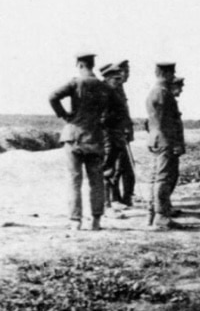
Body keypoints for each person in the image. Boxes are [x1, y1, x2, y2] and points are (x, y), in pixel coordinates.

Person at [49, 53, 118, 231]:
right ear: (93, 65)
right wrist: (103, 121)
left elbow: (52, 97)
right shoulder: (105, 87)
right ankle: (96, 221)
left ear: (80, 64)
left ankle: (75, 221)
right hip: (95, 138)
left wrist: (65, 116)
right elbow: (118, 110)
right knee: (96, 181)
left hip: (74, 137)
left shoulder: (75, 83)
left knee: (74, 180)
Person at [146, 62, 186, 229]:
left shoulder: (157, 91)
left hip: (158, 139)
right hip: (165, 140)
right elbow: (165, 122)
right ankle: (161, 217)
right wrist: (176, 143)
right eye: (171, 73)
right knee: (163, 178)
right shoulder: (162, 93)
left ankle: (154, 213)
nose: (172, 76)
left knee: (158, 177)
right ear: (166, 73)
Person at [99, 62, 136, 212]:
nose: (119, 81)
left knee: (116, 168)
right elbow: (103, 117)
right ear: (107, 78)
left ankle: (114, 200)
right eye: (116, 78)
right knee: (108, 169)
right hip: (108, 135)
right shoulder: (104, 93)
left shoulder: (114, 90)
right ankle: (107, 203)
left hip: (117, 135)